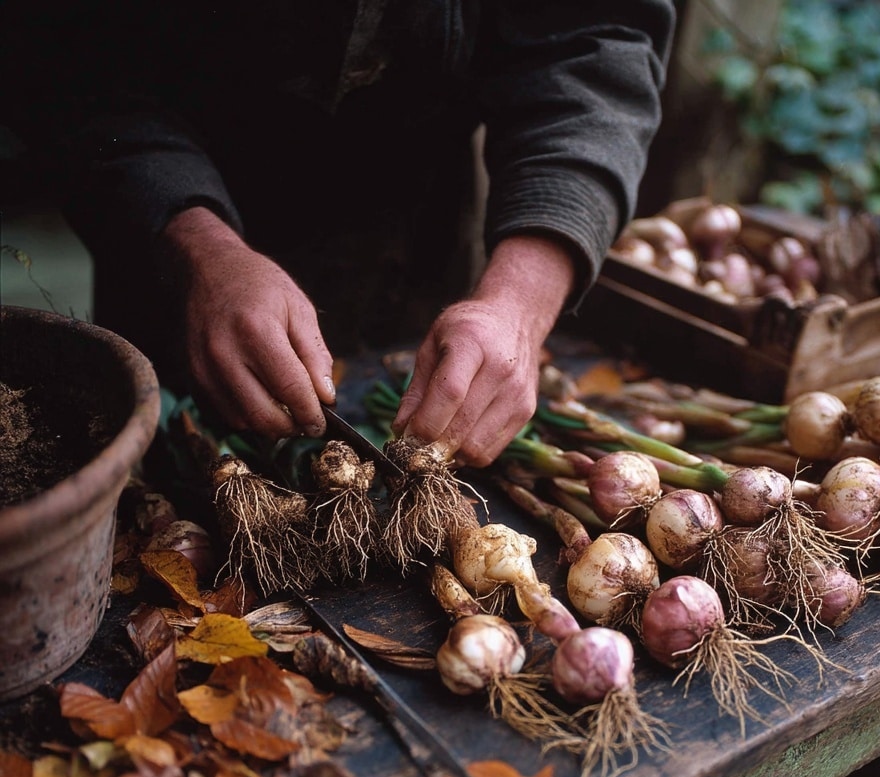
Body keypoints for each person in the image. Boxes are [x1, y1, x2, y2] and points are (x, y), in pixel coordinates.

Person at [3, 1, 676, 467]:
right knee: (167, 459)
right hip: (166, 209)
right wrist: (198, 248)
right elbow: (69, 53)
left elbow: (594, 37)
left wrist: (521, 300)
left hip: (417, 225)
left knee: (435, 406)